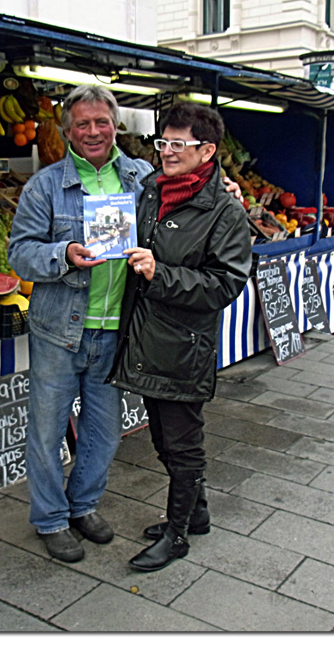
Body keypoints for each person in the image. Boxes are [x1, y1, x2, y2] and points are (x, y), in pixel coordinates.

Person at [7, 84, 154, 562]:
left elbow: (181, 218)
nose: (93, 131)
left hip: (116, 330)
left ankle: (83, 505)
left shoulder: (141, 178)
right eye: (83, 124)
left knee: (103, 431)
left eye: (102, 122)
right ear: (68, 131)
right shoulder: (45, 185)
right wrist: (63, 254)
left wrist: (223, 190)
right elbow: (20, 255)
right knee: (47, 431)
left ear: (116, 126)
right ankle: (50, 518)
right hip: (58, 330)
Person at [106, 102, 253, 572]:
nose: (166, 152)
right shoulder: (152, 188)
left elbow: (225, 283)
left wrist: (160, 274)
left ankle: (178, 534)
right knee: (165, 440)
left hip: (184, 344)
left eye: (177, 144)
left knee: (182, 442)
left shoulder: (225, 211)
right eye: (162, 142)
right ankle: (198, 513)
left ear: (207, 150)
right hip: (147, 336)